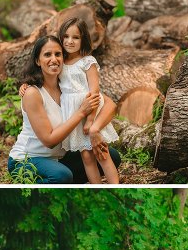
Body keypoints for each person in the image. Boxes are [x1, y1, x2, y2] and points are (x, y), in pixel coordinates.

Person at [7, 36, 121, 184]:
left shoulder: (68, 86)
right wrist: (81, 112)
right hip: (27, 159)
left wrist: (95, 128)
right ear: (37, 61)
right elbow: (49, 141)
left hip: (60, 158)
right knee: (62, 176)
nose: (54, 59)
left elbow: (110, 104)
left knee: (109, 155)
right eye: (47, 54)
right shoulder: (33, 93)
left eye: (58, 54)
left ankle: (70, 185)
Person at [57, 17, 119, 184]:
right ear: (61, 37)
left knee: (101, 152)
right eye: (66, 36)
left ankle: (115, 185)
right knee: (86, 155)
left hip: (90, 110)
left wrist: (91, 120)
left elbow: (95, 91)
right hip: (73, 114)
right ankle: (96, 186)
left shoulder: (87, 61)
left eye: (76, 37)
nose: (70, 41)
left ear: (83, 39)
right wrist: (26, 85)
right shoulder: (60, 61)